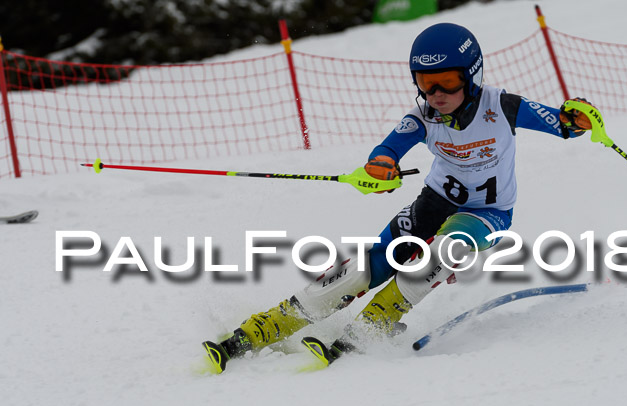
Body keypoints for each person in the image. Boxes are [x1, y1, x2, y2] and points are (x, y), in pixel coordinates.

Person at [203, 23, 596, 372]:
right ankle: (264, 327)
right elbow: (388, 148)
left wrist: (578, 119)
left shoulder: (503, 106)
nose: (436, 94)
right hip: (434, 201)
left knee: (441, 254)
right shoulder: (423, 116)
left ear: (472, 77)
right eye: (426, 83)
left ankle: (372, 326)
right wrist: (380, 167)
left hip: (488, 212)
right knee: (365, 268)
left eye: (446, 81)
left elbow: (562, 125)